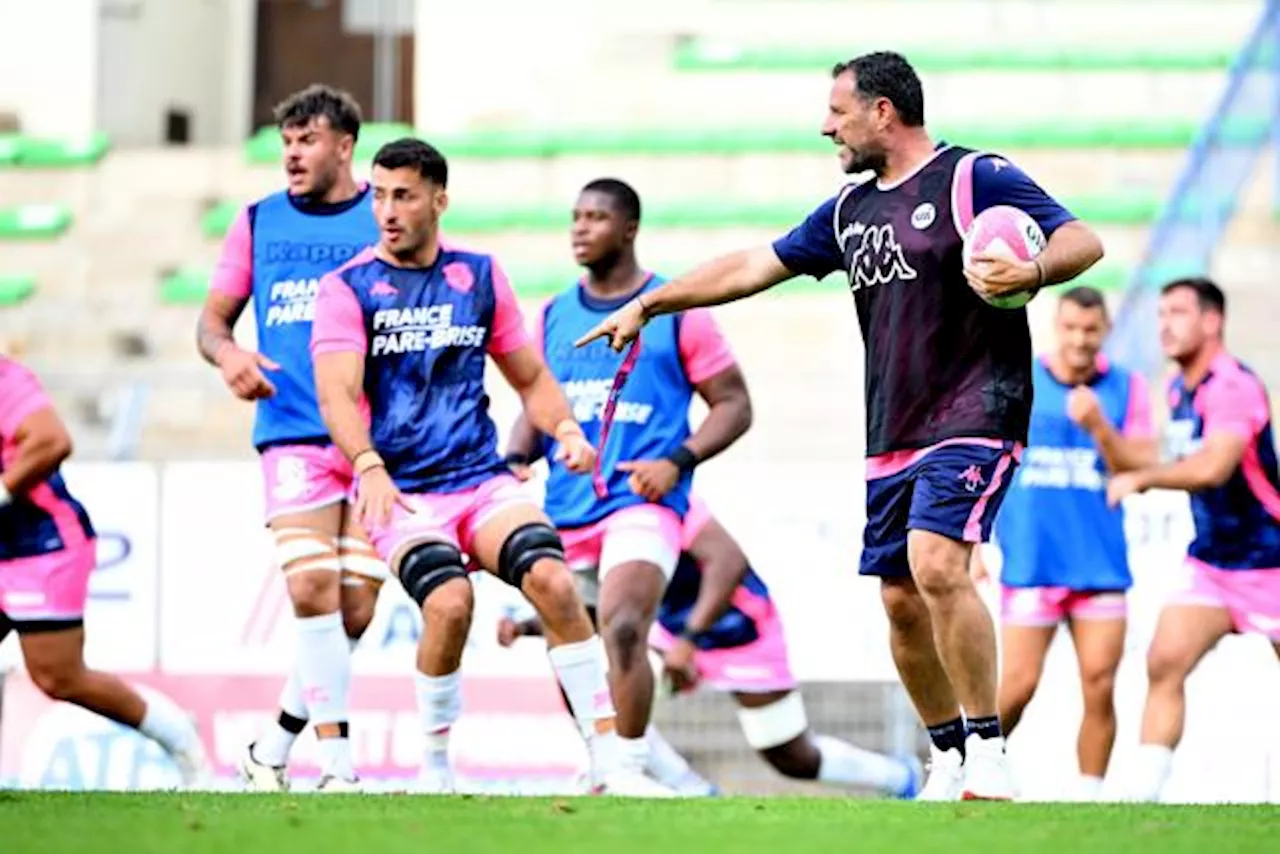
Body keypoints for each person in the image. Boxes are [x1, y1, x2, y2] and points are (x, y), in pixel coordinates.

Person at [575, 51, 1105, 800]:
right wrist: (652, 302)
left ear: (882, 111)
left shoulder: (973, 176)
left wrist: (1035, 272)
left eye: (838, 111)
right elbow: (752, 266)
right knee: (898, 597)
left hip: (978, 410)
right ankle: (948, 752)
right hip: (892, 428)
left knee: (937, 563)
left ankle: (989, 748)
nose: (828, 126)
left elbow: (1083, 240)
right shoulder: (850, 211)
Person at [310, 137, 670, 796]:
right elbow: (335, 392)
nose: (387, 210)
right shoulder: (347, 288)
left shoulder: (478, 275)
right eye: (380, 194)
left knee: (556, 585)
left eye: (404, 195)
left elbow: (530, 375)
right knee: (450, 605)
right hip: (404, 493)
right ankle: (437, 768)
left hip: (480, 481)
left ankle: (611, 761)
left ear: (439, 200)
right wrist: (367, 465)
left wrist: (563, 427)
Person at [503, 178, 751, 782]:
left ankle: (631, 769)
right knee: (574, 652)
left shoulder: (675, 308)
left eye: (595, 217)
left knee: (620, 627)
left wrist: (677, 462)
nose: (579, 229)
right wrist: (515, 457)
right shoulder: (555, 315)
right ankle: (605, 766)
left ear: (630, 228)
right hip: (566, 509)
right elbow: (538, 399)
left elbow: (734, 405)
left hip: (643, 504)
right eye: (575, 217)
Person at [196, 84, 387, 792]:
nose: (293, 156)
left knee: (357, 608)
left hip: (374, 443)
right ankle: (337, 768)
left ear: (344, 145)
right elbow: (211, 323)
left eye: (307, 141)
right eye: (286, 144)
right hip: (294, 432)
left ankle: (271, 748)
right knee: (312, 588)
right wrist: (229, 356)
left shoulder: (383, 215)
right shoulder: (257, 222)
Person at [500, 495, 924, 798]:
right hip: (669, 632)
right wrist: (526, 627)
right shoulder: (590, 516)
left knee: (789, 754)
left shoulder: (665, 499)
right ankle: (689, 789)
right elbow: (606, 614)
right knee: (601, 684)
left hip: (738, 627)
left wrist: (690, 640)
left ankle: (896, 777)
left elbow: (729, 560)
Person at [972, 286, 1155, 800]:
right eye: (1071, 328)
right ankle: (972, 773)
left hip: (1098, 565)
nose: (1080, 339)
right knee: (1016, 687)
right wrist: (973, 544)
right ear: (1058, 327)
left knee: (1099, 685)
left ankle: (1088, 797)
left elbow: (1140, 462)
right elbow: (985, 460)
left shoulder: (1127, 388)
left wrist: (1098, 424)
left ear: (1104, 331)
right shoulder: (1021, 379)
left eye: (1090, 330)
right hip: (1032, 562)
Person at [1106, 277, 1280, 802]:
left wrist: (1143, 478)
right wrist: (1101, 434)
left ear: (1212, 321)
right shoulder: (1180, 388)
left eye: (1177, 312)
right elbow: (1161, 455)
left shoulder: (1233, 385)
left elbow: (1212, 467)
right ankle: (1142, 796)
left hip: (1270, 561)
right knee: (1164, 660)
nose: (1165, 324)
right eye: (1160, 313)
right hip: (1213, 564)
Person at [0, 356, 209, 787]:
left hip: (41, 544)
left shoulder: (5, 378)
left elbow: (52, 439)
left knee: (59, 677)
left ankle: (180, 740)